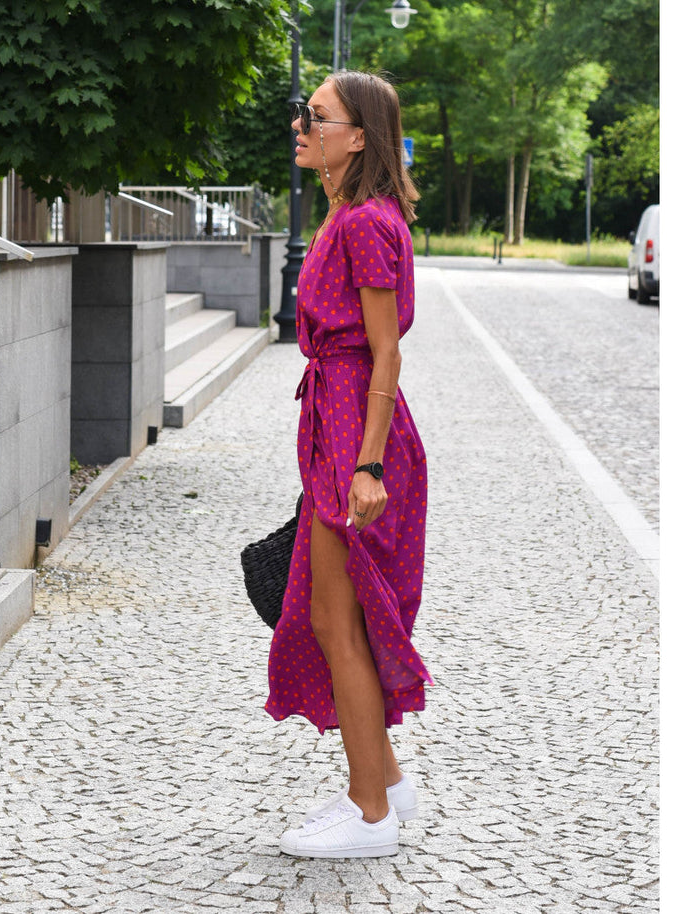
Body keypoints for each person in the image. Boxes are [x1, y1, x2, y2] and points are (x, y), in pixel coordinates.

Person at [265, 70, 432, 859]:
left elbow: (385, 352)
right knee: (335, 615)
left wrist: (367, 466)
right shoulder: (352, 213)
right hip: (340, 423)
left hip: (357, 428)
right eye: (304, 113)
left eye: (317, 116)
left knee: (338, 621)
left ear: (358, 136)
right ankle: (387, 782)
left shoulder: (364, 222)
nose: (301, 125)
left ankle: (370, 816)